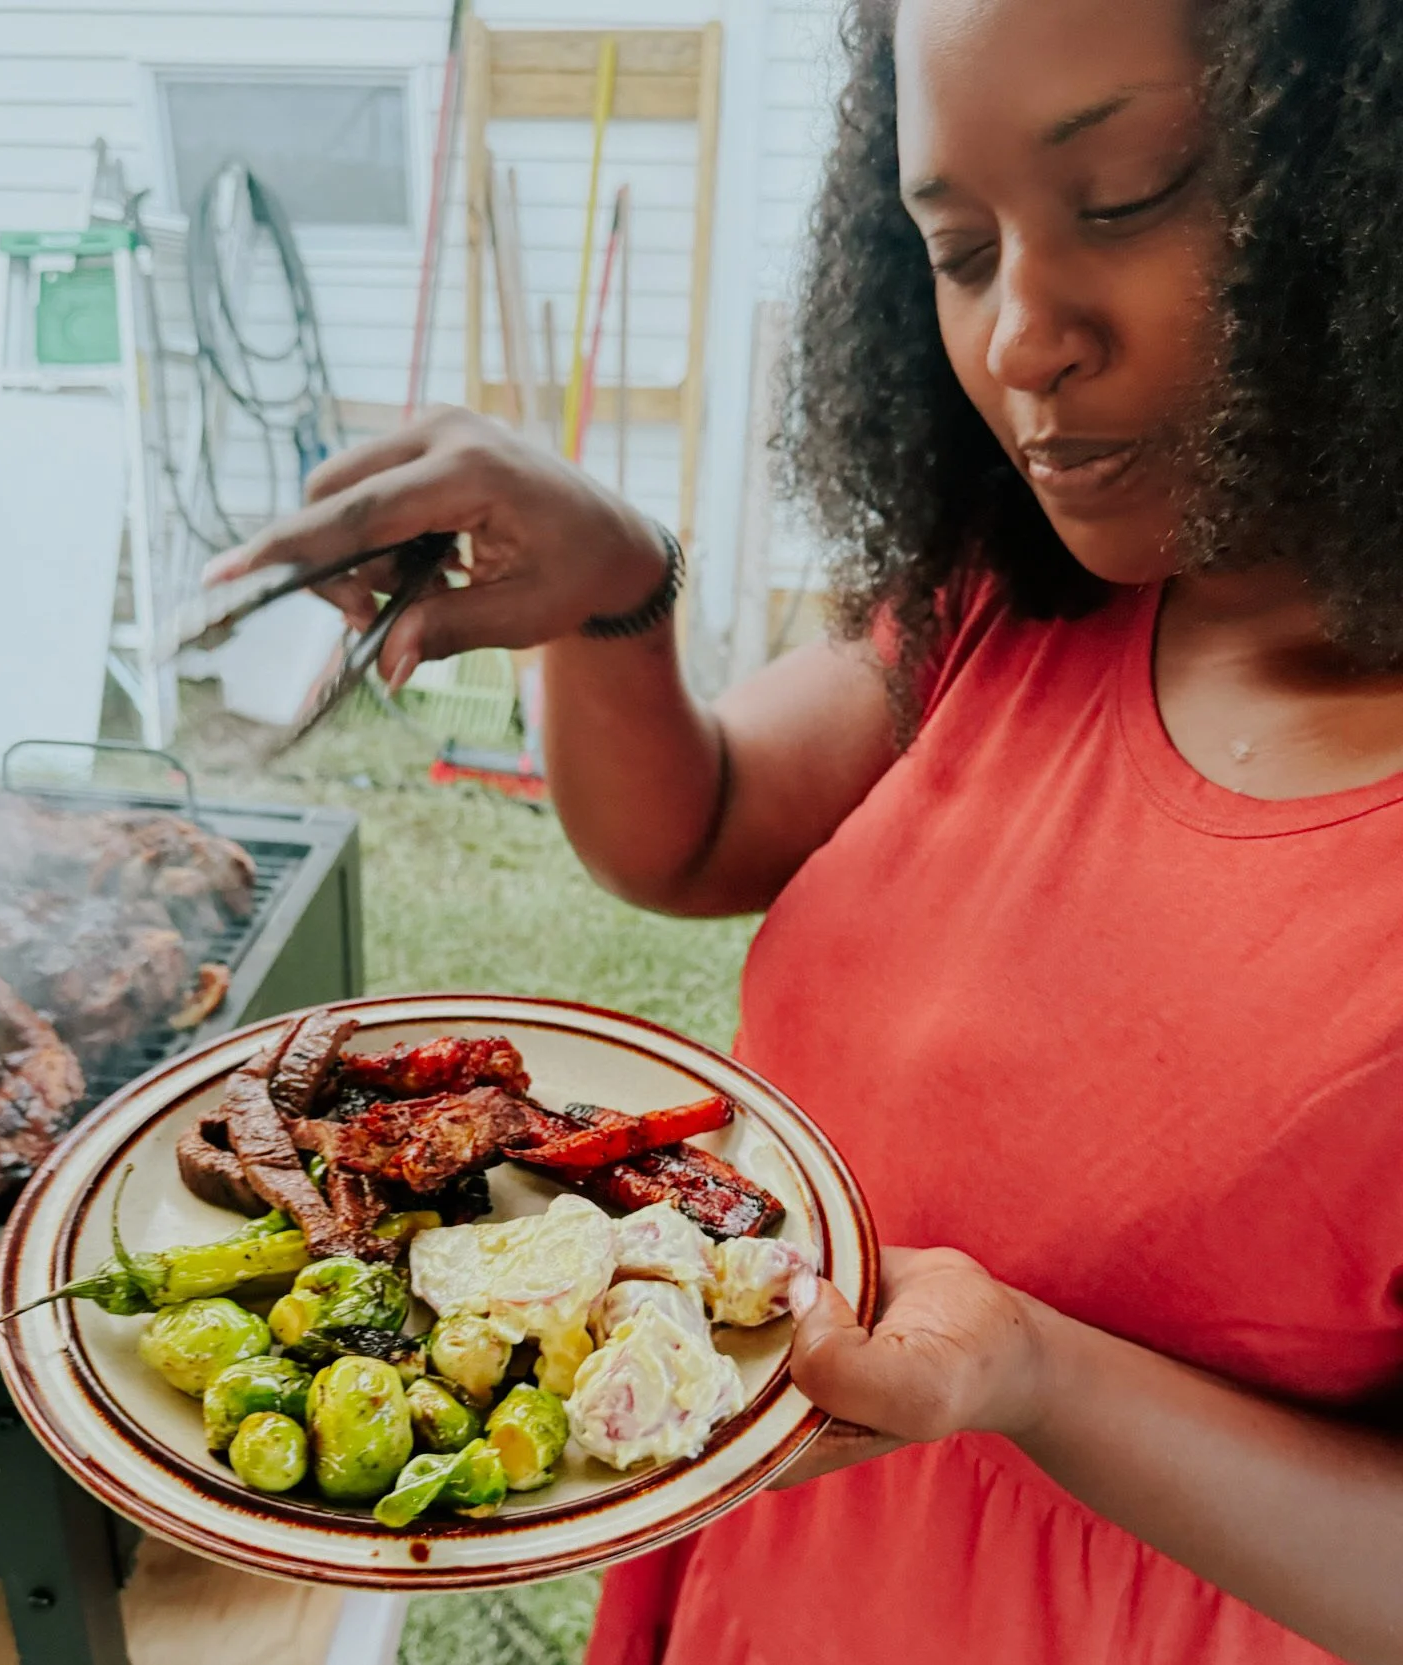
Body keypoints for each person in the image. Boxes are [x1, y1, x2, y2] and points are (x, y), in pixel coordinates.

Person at [206, 0, 1403, 1657]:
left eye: (1126, 198)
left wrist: (1040, 1379)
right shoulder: (1013, 604)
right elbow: (692, 833)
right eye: (958, 248)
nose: (1019, 338)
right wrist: (615, 591)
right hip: (782, 1582)